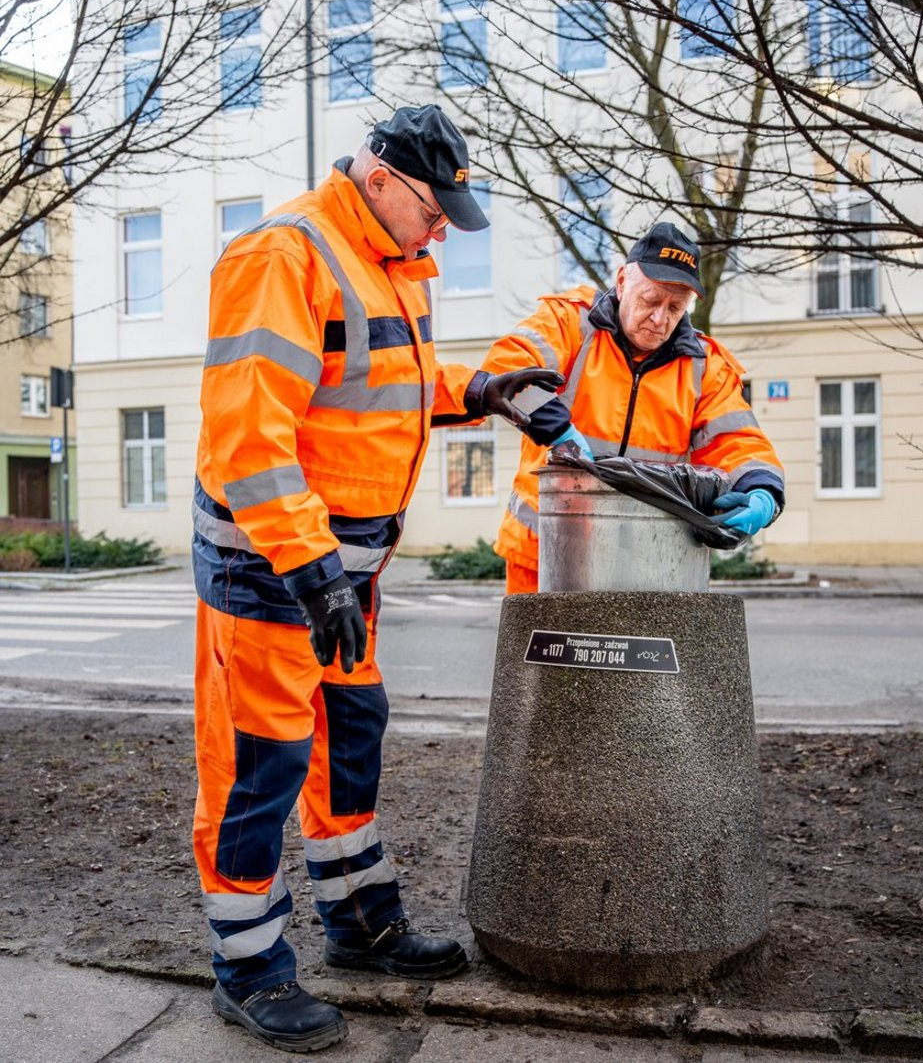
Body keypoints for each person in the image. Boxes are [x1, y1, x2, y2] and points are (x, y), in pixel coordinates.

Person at [191, 103, 562, 1053]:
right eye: (437, 211)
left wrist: (481, 390)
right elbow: (249, 436)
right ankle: (250, 970)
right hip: (274, 569)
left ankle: (359, 922)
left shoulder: (391, 264)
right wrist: (311, 568)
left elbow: (385, 387)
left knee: (350, 734)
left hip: (341, 574)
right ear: (385, 179)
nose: (444, 230)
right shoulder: (285, 255)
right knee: (259, 767)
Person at [481, 220, 786, 594]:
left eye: (676, 307)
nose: (661, 319)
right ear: (623, 281)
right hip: (547, 550)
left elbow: (737, 441)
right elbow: (507, 368)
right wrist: (556, 428)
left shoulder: (704, 367)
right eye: (651, 300)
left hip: (648, 558)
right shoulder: (569, 323)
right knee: (542, 654)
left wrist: (763, 491)